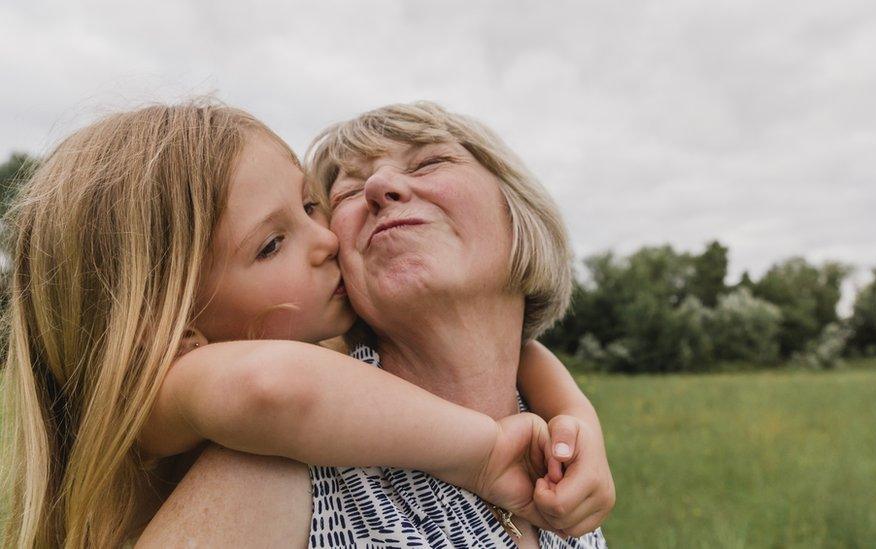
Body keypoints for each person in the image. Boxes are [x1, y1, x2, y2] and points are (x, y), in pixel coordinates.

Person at [0, 101, 612, 548]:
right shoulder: (277, 457)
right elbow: (276, 387)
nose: (377, 187)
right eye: (343, 192)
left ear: (522, 211)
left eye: (429, 163)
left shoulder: (551, 437)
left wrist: (575, 421)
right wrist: (483, 454)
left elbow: (525, 352)